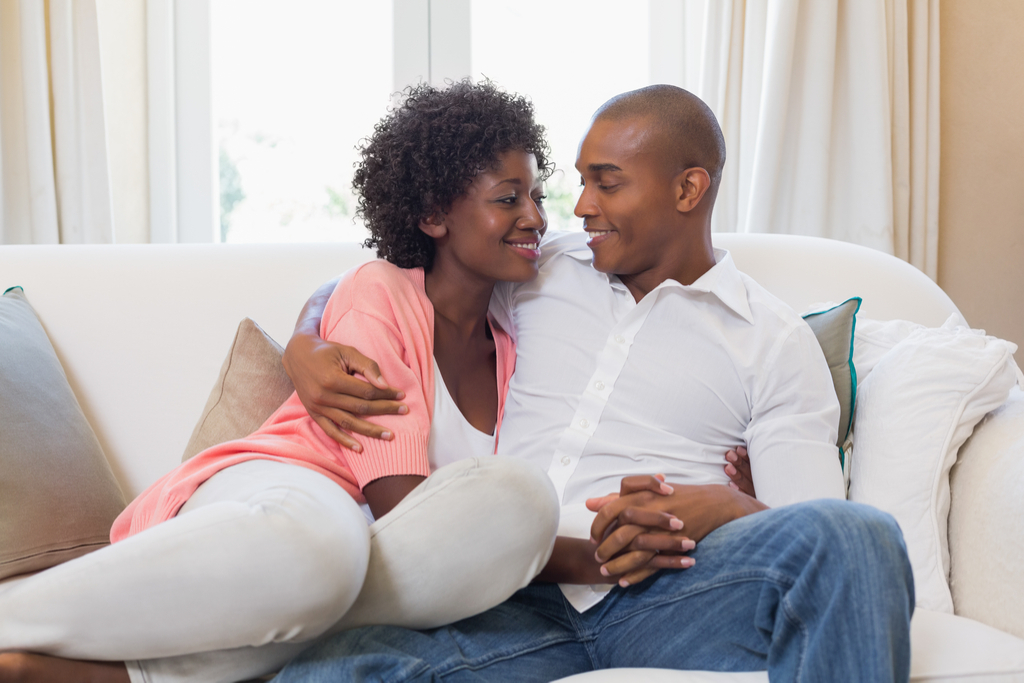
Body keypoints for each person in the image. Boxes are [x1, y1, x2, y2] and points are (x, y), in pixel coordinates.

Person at [274, 84, 916, 681]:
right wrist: (307, 338)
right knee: (332, 667)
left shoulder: (771, 340)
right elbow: (406, 273)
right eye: (581, 184)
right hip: (514, 595)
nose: (579, 208)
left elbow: (810, 521)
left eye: (606, 185)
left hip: (674, 594)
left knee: (860, 536)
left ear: (688, 189)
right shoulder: (542, 268)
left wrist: (726, 508)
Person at [0, 81, 564, 683]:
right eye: (509, 198)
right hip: (284, 492)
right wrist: (594, 557)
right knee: (321, 553)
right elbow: (401, 503)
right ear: (432, 215)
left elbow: (447, 531)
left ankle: (74, 673)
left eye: (536, 194)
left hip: (353, 557)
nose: (535, 216)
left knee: (487, 518)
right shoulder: (382, 292)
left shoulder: (511, 347)